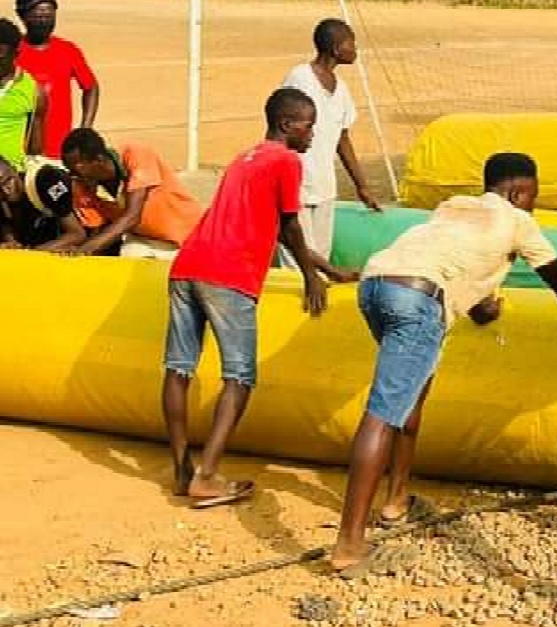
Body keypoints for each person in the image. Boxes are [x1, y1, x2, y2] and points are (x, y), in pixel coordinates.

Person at [330, 152, 557, 578]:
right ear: (518, 192)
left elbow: (457, 271)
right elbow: (555, 274)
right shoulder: (517, 221)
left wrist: (482, 309)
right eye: (532, 196)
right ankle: (349, 545)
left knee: (410, 395)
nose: (532, 204)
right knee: (383, 413)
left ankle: (396, 500)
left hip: (376, 286)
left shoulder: (454, 207)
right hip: (418, 299)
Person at [161, 87, 328, 509]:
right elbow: (290, 225)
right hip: (228, 274)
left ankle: (182, 469)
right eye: (308, 126)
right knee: (239, 376)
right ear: (287, 125)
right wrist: (311, 277)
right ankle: (208, 475)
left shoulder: (245, 158)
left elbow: (263, 222)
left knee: (178, 368)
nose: (312, 134)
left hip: (188, 265)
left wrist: (326, 266)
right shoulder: (286, 160)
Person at [278, 18, 379, 271]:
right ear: (336, 48)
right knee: (298, 260)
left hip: (324, 186)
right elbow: (281, 126)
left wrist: (362, 186)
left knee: (321, 257)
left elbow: (342, 138)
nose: (355, 49)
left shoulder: (341, 89)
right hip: (297, 185)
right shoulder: (300, 78)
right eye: (351, 43)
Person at [60, 128, 203, 259]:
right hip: (142, 239)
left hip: (185, 237)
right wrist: (81, 252)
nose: (74, 175)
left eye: (77, 169)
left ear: (99, 160)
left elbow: (132, 216)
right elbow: (97, 229)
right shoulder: (81, 185)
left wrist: (86, 249)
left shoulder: (136, 154)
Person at [16, 0, 99, 160]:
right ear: (22, 16)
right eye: (38, 17)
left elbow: (91, 87)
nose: (44, 22)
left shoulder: (68, 50)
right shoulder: (11, 53)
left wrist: (86, 127)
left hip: (59, 150)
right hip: (19, 149)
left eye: (49, 17)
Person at [0, 155, 84, 250]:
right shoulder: (4, 204)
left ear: (14, 169)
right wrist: (11, 243)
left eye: (8, 180)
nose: (6, 191)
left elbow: (77, 234)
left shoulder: (45, 180)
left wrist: (34, 252)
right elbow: (8, 232)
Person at [0, 18, 46, 169]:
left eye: (1, 59)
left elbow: (35, 149)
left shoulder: (34, 92)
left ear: (16, 54)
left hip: (11, 176)